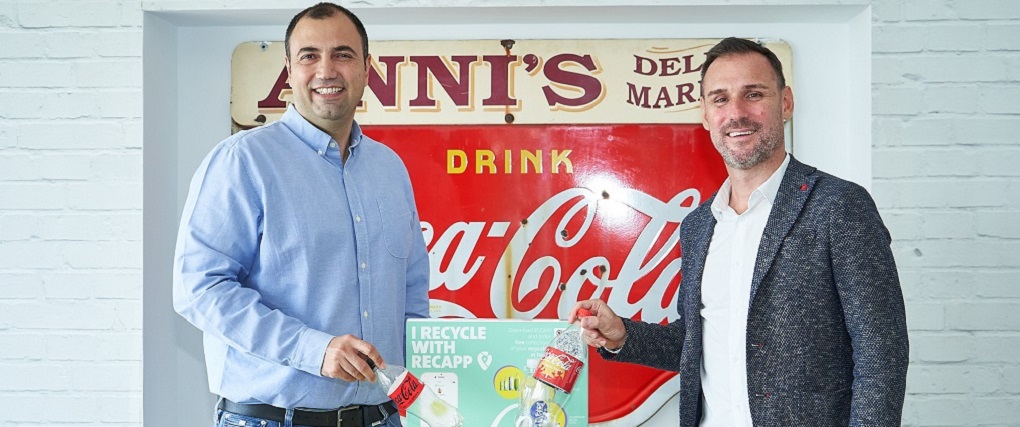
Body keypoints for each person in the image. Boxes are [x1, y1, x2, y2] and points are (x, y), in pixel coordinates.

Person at [570, 37, 908, 427]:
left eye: (753, 94)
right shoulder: (698, 225)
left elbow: (882, 353)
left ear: (785, 103)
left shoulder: (839, 205)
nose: (736, 113)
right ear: (704, 115)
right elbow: (698, 343)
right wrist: (622, 334)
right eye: (719, 99)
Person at [173, 3, 429, 427]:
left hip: (383, 418)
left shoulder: (389, 169)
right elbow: (200, 288)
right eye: (309, 56)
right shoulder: (243, 162)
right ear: (288, 69)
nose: (326, 70)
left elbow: (413, 298)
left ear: (367, 68)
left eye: (343, 55)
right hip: (272, 419)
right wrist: (316, 349)